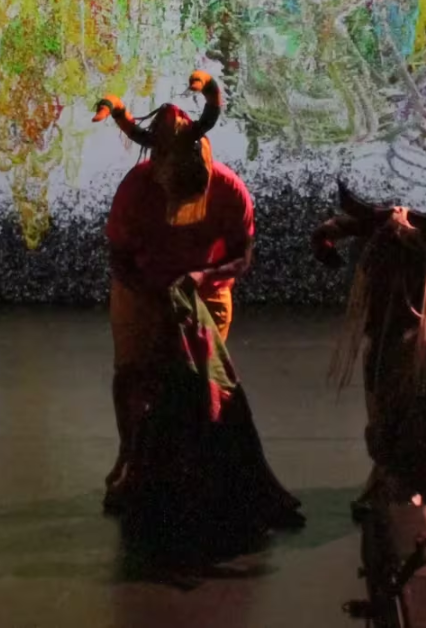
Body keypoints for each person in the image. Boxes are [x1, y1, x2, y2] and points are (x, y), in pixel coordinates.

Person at [94, 71, 302, 541]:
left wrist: (201, 281)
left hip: (204, 293)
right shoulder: (136, 188)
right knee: (133, 374)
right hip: (143, 288)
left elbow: (242, 253)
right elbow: (119, 257)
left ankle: (195, 469)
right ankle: (130, 457)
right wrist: (153, 298)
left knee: (200, 384)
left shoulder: (228, 190)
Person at [312, 181, 426, 516]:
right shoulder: (377, 228)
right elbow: (327, 232)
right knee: (383, 394)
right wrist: (324, 244)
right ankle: (389, 470)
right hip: (386, 324)